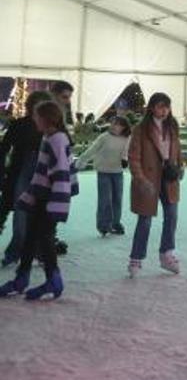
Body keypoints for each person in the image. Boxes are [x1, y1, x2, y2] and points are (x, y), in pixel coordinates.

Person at [0, 100, 77, 300]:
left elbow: (62, 174)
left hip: (50, 200)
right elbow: (41, 174)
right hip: (42, 197)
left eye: (36, 116)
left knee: (44, 239)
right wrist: (30, 195)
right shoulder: (48, 137)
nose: (33, 119)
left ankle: (53, 280)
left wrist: (56, 204)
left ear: (45, 118)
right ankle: (21, 279)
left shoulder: (57, 140)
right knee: (32, 239)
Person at [127, 92, 185, 278]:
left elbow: (177, 149)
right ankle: (136, 258)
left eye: (167, 107)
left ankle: (166, 253)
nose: (164, 110)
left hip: (169, 178)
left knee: (172, 215)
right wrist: (140, 178)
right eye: (160, 106)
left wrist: (180, 166)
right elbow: (134, 156)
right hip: (149, 179)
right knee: (145, 220)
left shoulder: (172, 126)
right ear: (152, 107)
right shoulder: (141, 129)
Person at [0, 91, 53, 267]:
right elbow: (3, 149)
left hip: (44, 174)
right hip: (20, 173)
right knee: (21, 216)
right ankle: (15, 251)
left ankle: (35, 251)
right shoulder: (19, 125)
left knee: (39, 215)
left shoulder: (51, 127)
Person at [77, 115, 131, 237]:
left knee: (117, 199)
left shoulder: (127, 138)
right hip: (104, 172)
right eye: (112, 123)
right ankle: (103, 225)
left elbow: (127, 151)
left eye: (116, 124)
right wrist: (82, 160)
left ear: (123, 127)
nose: (113, 126)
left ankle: (115, 223)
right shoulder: (104, 137)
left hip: (118, 172)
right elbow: (92, 149)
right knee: (105, 199)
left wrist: (125, 159)